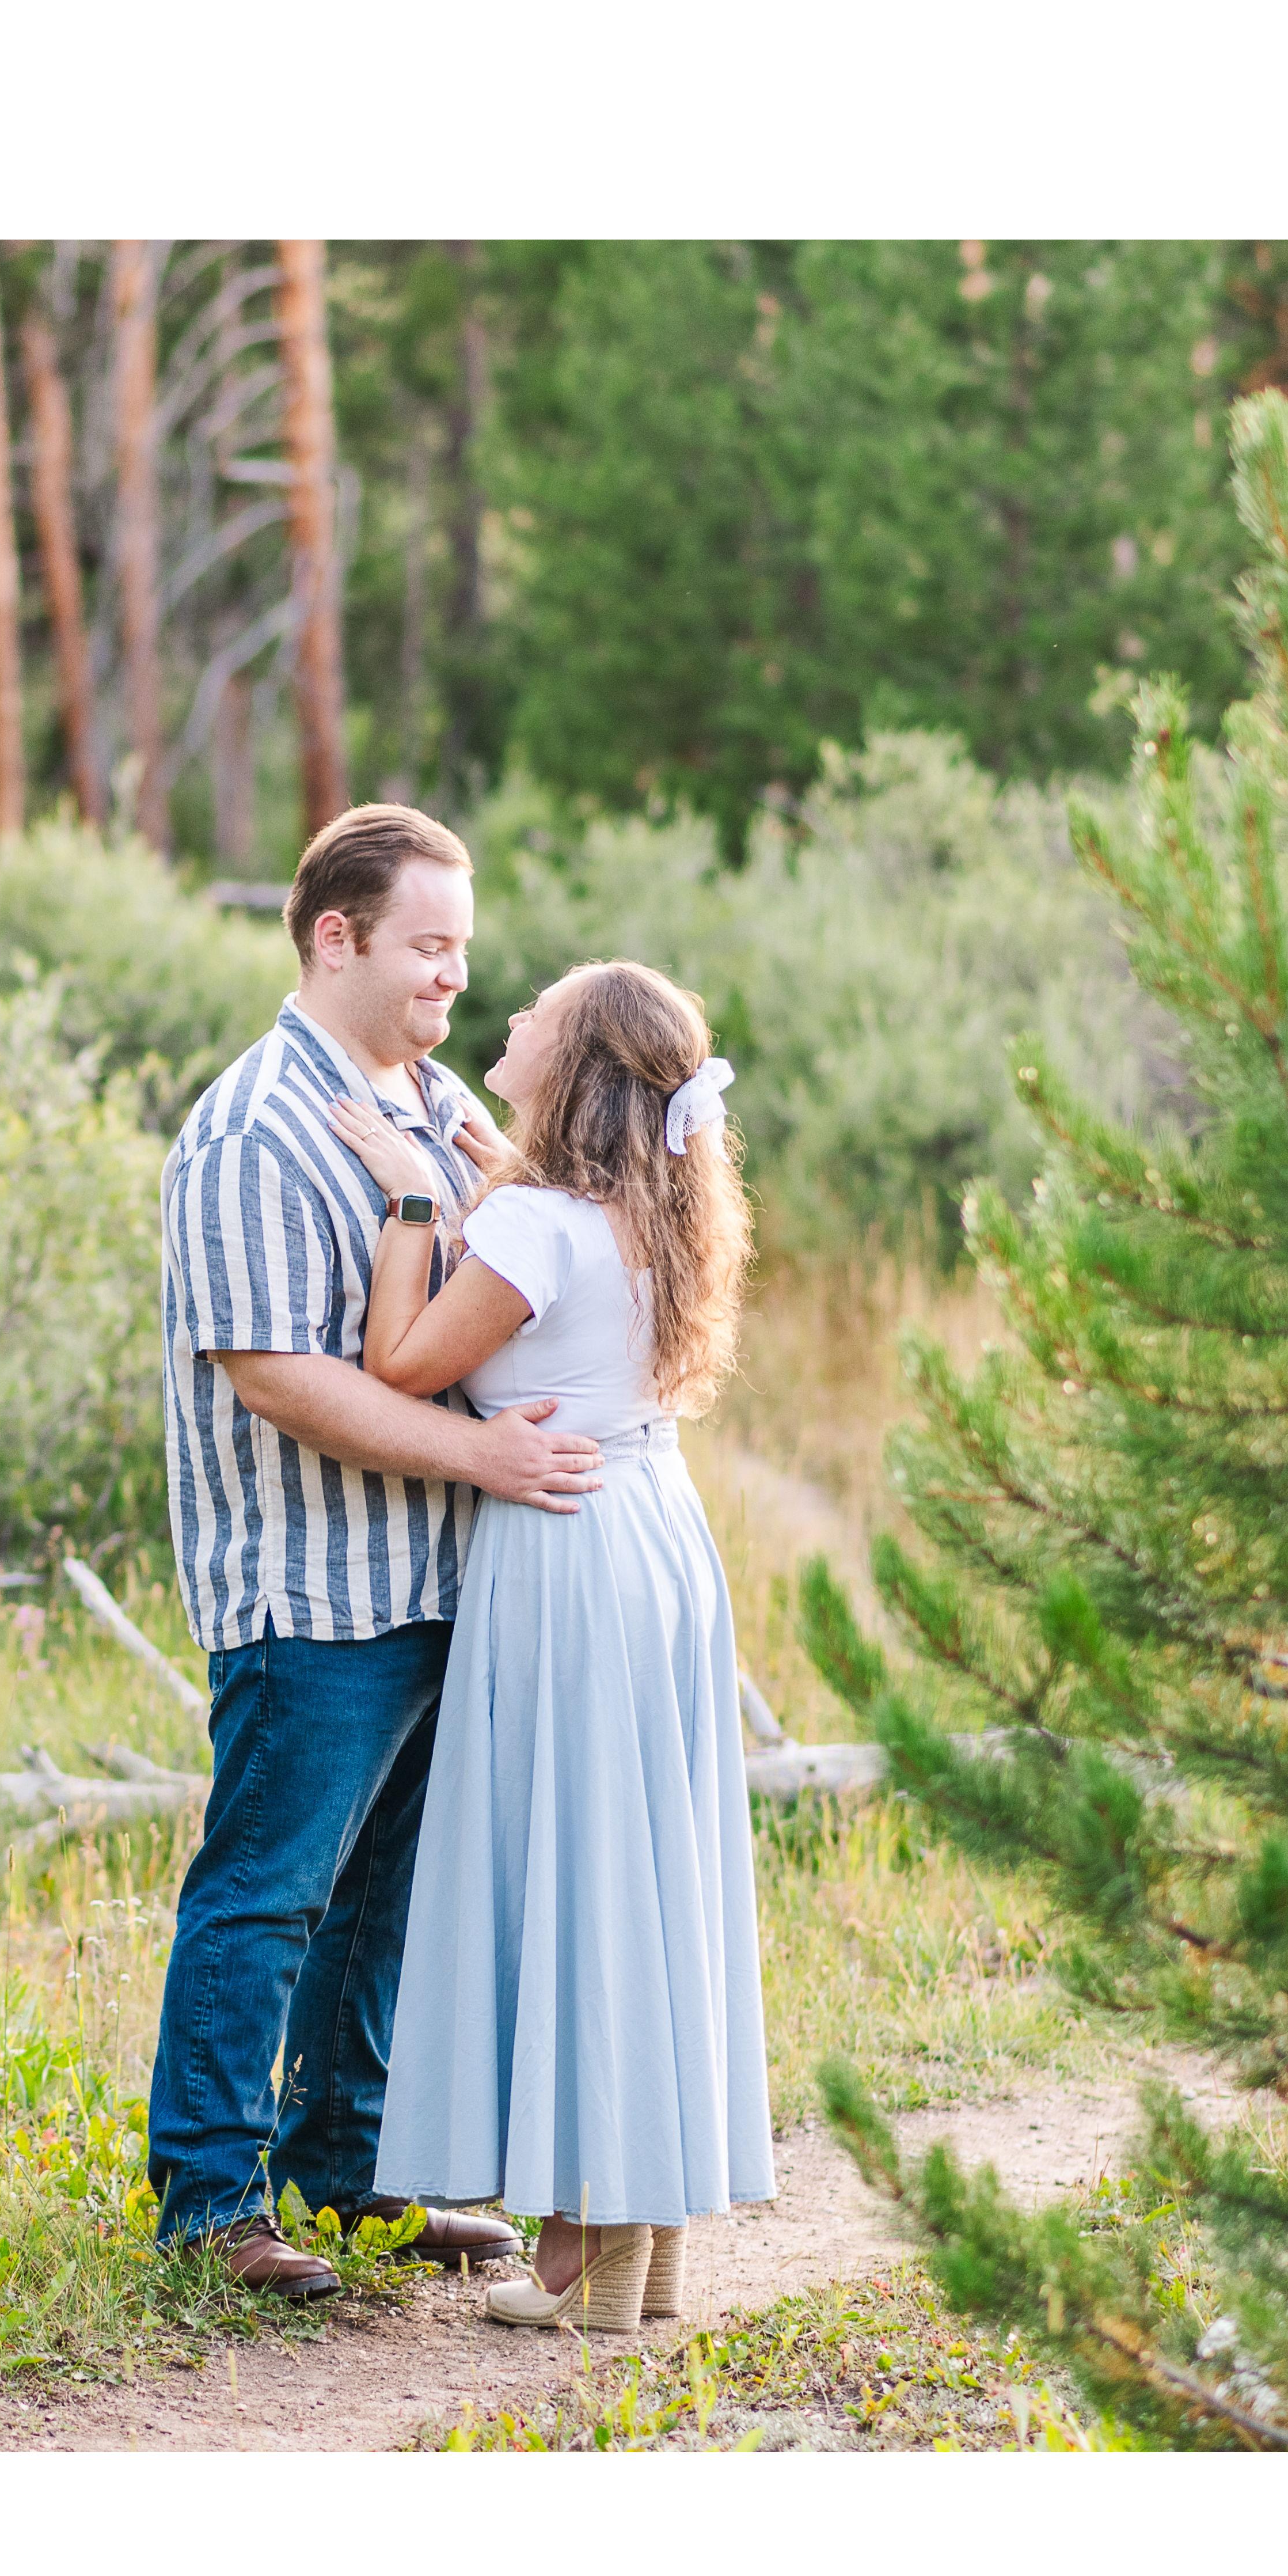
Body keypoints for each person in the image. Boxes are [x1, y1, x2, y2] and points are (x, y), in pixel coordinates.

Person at [147, 806, 604, 2300]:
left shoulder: (433, 1101)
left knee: (382, 1900)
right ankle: (209, 2202)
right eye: (427, 944)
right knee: (267, 1889)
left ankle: (343, 2172)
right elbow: (276, 1374)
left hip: (442, 1578)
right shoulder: (253, 1128)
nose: (452, 976)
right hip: (312, 1586)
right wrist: (485, 1456)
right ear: (334, 936)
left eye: (461, 948)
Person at [325, 958, 774, 2332]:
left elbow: (399, 1363)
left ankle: (589, 2237)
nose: (509, 1017)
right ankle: (642, 2226)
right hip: (653, 1531)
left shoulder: (531, 1218)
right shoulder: (650, 1207)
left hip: (564, 1549)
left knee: (574, 1873)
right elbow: (561, 1307)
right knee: (639, 1873)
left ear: (571, 1064)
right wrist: (484, 1178)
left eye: (538, 1012)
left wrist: (412, 1202)